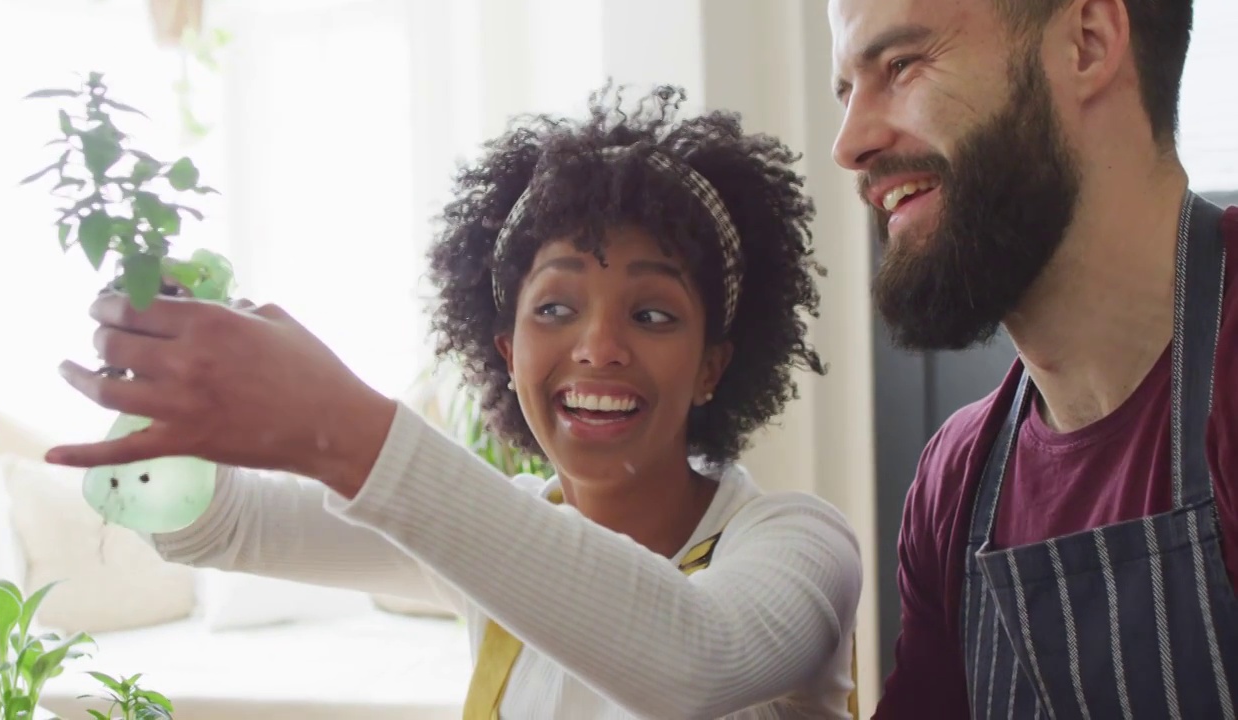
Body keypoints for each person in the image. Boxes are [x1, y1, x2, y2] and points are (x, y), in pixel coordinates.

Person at [46, 85, 864, 719]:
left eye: (651, 315)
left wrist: (341, 424)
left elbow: (696, 660)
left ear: (714, 365)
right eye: (554, 309)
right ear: (507, 355)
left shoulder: (800, 547)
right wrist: (169, 383)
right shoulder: (496, 538)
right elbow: (213, 525)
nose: (598, 347)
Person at [828, 0, 1238, 717]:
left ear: (1086, 42)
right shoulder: (953, 481)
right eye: (845, 91)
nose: (849, 143)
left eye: (901, 65)